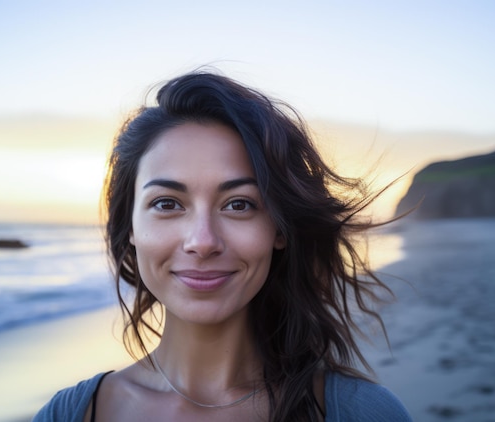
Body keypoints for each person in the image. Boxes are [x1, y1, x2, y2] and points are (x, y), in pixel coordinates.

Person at [33, 71, 412, 421]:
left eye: (239, 204)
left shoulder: (362, 412)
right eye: (167, 204)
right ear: (129, 225)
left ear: (279, 229)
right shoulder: (70, 414)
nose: (202, 242)